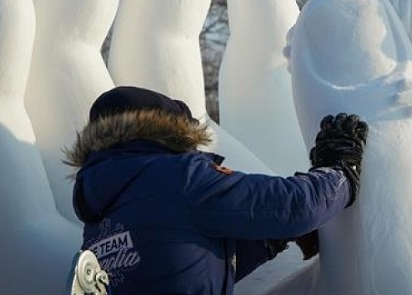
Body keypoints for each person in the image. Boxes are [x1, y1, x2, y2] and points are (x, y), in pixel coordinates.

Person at [63, 85, 367, 295]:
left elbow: (183, 265)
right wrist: (340, 168)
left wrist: (270, 236)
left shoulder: (100, 206)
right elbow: (294, 205)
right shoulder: (181, 177)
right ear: (172, 130)